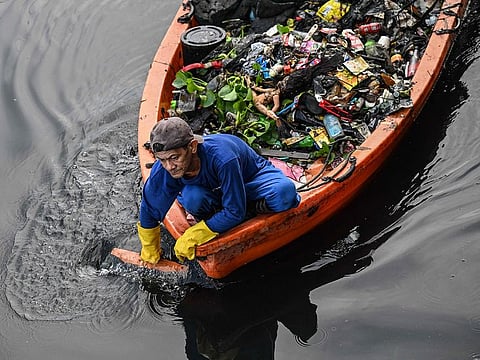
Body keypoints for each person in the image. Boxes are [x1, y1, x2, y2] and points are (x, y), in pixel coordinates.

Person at [137, 116, 301, 264]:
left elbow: (235, 210)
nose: (170, 166)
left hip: (249, 181)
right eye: (162, 160)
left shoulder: (223, 158)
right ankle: (222, 218)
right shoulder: (164, 169)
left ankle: (241, 213)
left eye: (175, 157)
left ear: (193, 146)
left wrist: (196, 234)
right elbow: (150, 209)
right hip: (216, 193)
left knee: (284, 193)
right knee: (192, 198)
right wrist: (150, 250)